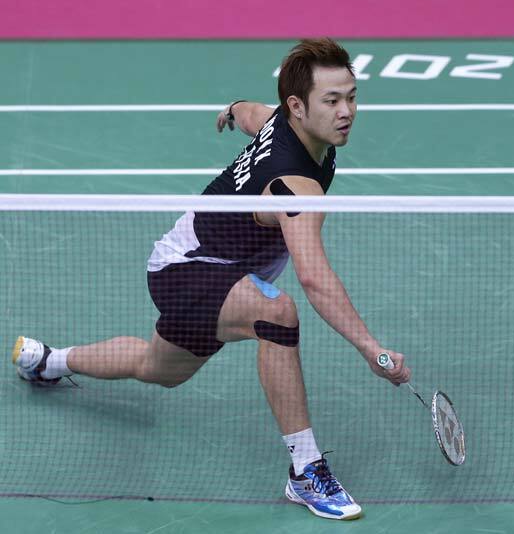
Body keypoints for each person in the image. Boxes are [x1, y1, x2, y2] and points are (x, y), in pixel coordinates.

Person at [11, 38, 411, 520]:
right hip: (188, 268)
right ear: (298, 107)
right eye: (332, 100)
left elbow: (253, 113)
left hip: (210, 271)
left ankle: (49, 361)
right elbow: (314, 277)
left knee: (157, 368)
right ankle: (305, 470)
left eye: (351, 96)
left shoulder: (288, 124)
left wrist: (231, 108)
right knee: (276, 314)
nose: (347, 111)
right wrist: (369, 346)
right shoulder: (293, 182)